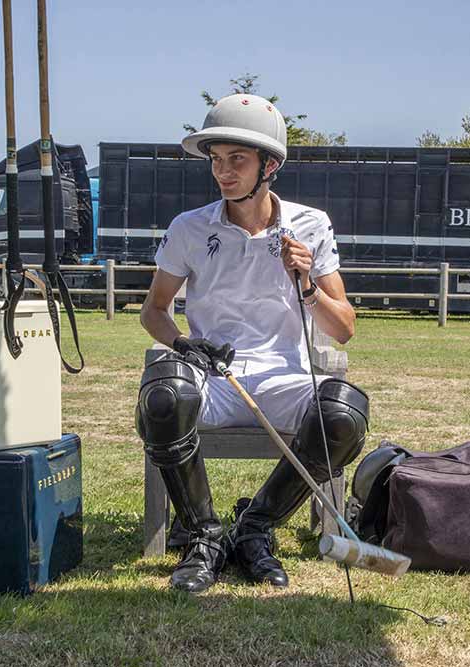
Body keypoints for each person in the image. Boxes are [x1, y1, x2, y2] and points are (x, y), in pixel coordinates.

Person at [135, 94, 370, 593]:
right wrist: (184, 344)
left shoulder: (310, 225)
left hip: (284, 375)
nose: (222, 171)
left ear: (271, 165)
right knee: (162, 397)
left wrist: (307, 284)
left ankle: (254, 528)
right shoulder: (189, 227)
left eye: (235, 159)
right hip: (214, 377)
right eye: (216, 160)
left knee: (345, 415)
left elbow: (344, 327)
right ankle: (205, 535)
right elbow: (153, 311)